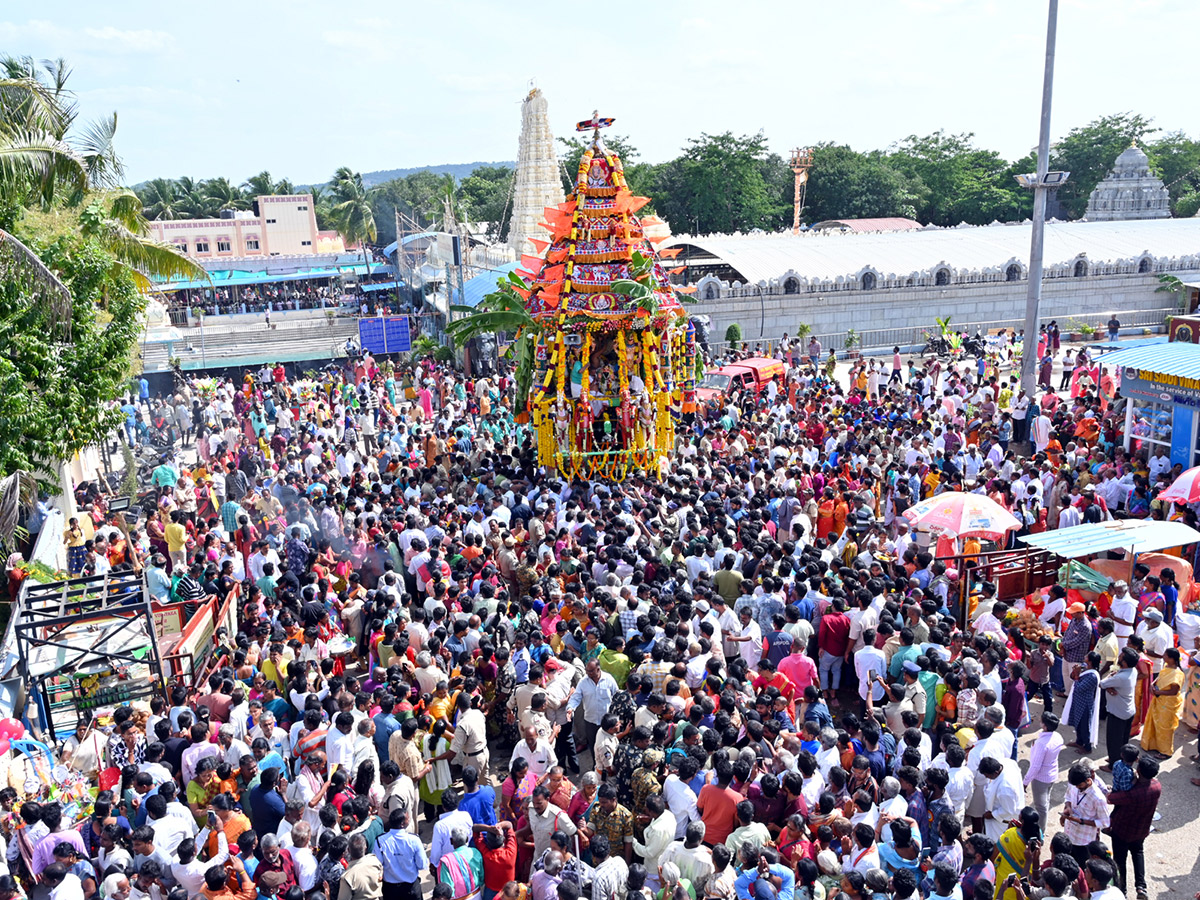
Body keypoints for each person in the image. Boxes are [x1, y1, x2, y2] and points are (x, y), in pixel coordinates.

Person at [1141, 647, 1185, 759]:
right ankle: (1153, 745)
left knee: (1164, 727)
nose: (1163, 657)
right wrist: (1152, 684)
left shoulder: (1177, 674)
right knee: (1155, 722)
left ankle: (1165, 752)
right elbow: (1160, 677)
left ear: (1171, 659)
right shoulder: (1167, 667)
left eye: (1165, 655)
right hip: (1159, 700)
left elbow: (1174, 691)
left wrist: (1157, 692)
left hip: (1167, 703)